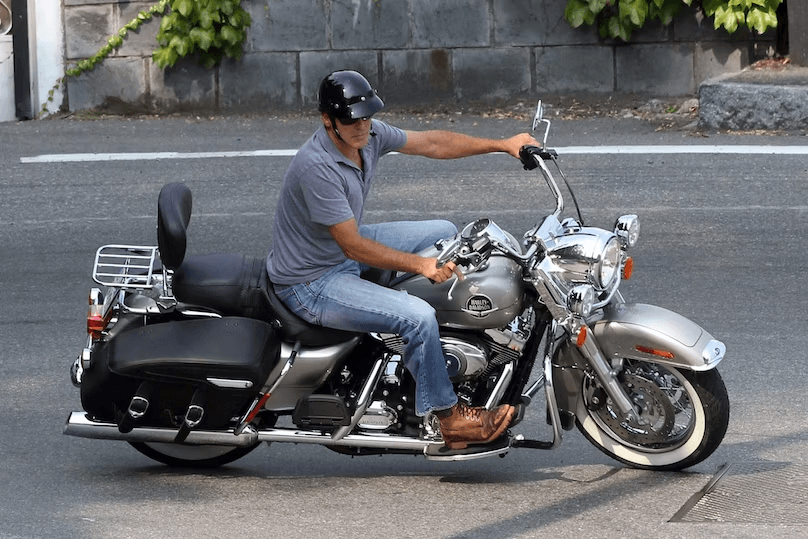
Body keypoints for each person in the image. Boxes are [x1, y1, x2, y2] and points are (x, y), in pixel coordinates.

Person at [266, 70, 539, 450]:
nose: (362, 126)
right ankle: (449, 418)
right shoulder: (317, 167)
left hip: (335, 251)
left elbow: (432, 143)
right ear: (328, 120)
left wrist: (502, 144)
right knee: (416, 316)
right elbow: (352, 247)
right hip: (311, 280)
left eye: (366, 116)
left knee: (443, 231)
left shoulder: (368, 135)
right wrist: (421, 266)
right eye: (351, 119)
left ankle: (429, 340)